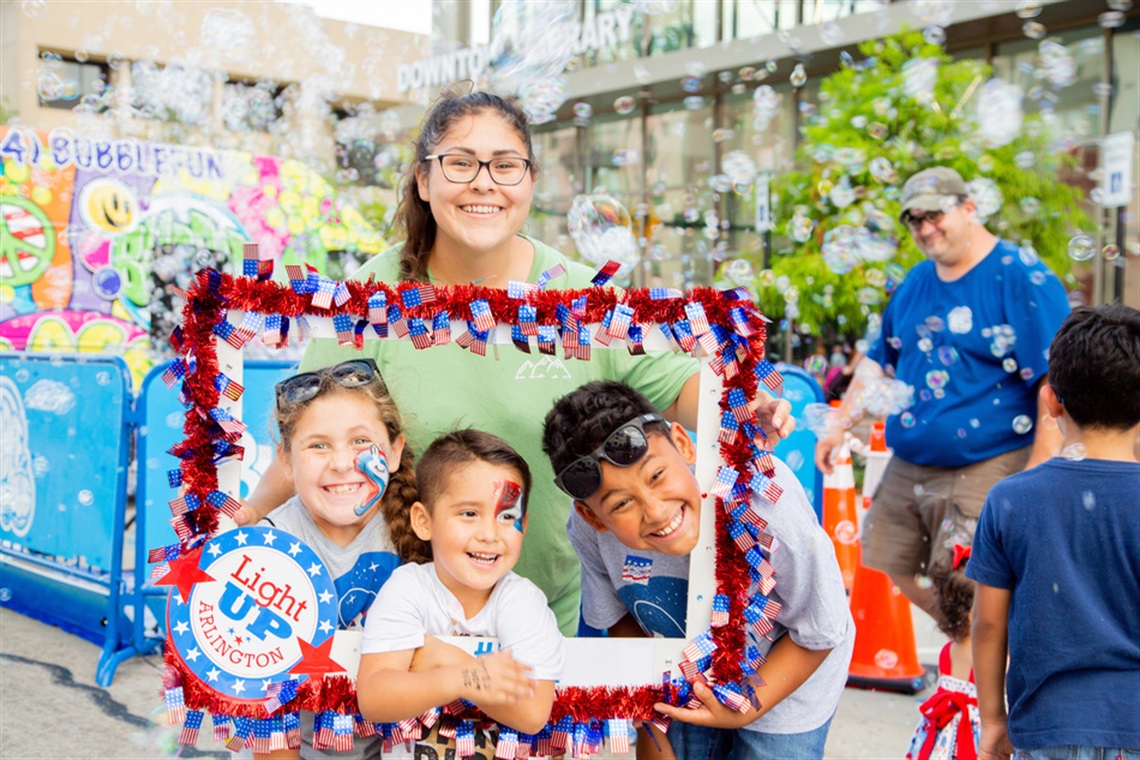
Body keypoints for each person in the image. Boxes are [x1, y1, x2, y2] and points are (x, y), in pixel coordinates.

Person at [241, 88, 794, 636]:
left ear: (531, 181)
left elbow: (680, 389)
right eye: (460, 163)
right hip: (404, 617)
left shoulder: (580, 297)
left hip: (547, 618)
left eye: (505, 165)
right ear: (423, 179)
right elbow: (308, 439)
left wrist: (745, 406)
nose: (484, 182)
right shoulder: (372, 294)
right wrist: (240, 523)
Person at [543, 381, 854, 759]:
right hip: (683, 674)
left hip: (788, 676)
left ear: (684, 444)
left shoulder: (764, 499)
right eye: (622, 503)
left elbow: (822, 627)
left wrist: (744, 710)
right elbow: (620, 621)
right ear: (592, 517)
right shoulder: (588, 533)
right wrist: (652, 714)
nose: (656, 512)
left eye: (657, 476)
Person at [814, 165, 1070, 618]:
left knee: (966, 585)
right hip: (912, 459)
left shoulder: (1019, 274)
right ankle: (973, 636)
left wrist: (1040, 471)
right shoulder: (916, 281)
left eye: (934, 214)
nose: (925, 228)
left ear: (969, 207)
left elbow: (1055, 379)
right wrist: (838, 424)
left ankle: (976, 648)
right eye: (914, 219)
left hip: (989, 460)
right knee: (887, 557)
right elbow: (878, 361)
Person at [967, 305, 1140, 759]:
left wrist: (993, 720)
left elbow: (987, 622)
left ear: (1051, 401)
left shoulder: (1011, 498)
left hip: (1046, 727)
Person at [255, 358, 425, 760]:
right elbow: (261, 706)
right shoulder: (267, 548)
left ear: (394, 451)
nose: (342, 462)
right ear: (285, 461)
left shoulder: (422, 529)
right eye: (318, 445)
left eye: (361, 441)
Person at [356, 429, 563, 744]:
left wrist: (452, 661)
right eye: (469, 513)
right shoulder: (408, 588)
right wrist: (460, 680)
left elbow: (533, 714)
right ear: (423, 521)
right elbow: (373, 698)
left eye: (508, 516)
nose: (490, 534)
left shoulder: (523, 601)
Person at [906, 547, 980, 760]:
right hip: (973, 740)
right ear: (972, 614)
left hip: (941, 736)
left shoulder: (948, 651)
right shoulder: (988, 656)